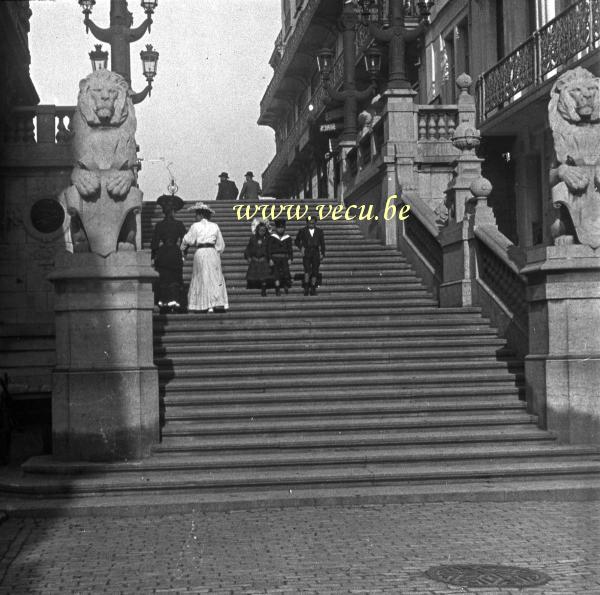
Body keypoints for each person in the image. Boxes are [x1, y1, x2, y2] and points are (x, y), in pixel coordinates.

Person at [181, 202, 229, 313]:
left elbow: (187, 240)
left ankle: (203, 304)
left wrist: (182, 249)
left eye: (196, 214)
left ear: (201, 215)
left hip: (201, 252)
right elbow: (221, 245)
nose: (195, 217)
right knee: (214, 277)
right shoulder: (215, 226)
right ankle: (215, 303)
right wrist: (215, 252)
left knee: (201, 276)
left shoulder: (195, 226)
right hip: (212, 252)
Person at [151, 194, 187, 313]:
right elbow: (185, 240)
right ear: (173, 211)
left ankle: (164, 302)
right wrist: (184, 253)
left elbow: (155, 243)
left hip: (163, 253)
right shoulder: (179, 224)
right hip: (175, 253)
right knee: (175, 278)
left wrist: (153, 255)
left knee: (164, 278)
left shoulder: (159, 225)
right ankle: (175, 302)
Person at [295, 215, 325, 296]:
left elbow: (322, 243)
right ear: (307, 223)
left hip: (316, 252)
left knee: (315, 271)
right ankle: (306, 287)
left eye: (313, 223)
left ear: (315, 223)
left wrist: (322, 253)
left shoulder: (319, 231)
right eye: (309, 223)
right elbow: (296, 241)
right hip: (307, 252)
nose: (311, 224)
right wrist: (301, 247)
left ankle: (313, 288)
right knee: (307, 270)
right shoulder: (302, 231)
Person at [244, 218, 272, 297]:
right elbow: (248, 248)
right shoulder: (253, 238)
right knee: (252, 275)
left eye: (263, 230)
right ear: (257, 230)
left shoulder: (268, 239)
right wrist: (248, 256)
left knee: (264, 275)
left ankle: (263, 288)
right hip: (255, 259)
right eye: (260, 230)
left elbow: (269, 250)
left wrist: (270, 259)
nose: (262, 232)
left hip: (263, 259)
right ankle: (253, 286)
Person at [268, 218, 293, 296]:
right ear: (276, 228)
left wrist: (290, 258)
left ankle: (285, 285)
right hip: (275, 258)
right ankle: (277, 288)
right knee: (276, 274)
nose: (280, 229)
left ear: (284, 228)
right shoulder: (272, 237)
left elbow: (290, 249)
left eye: (282, 228)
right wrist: (270, 259)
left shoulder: (287, 238)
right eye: (279, 228)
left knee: (286, 273)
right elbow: (268, 249)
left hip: (285, 258)